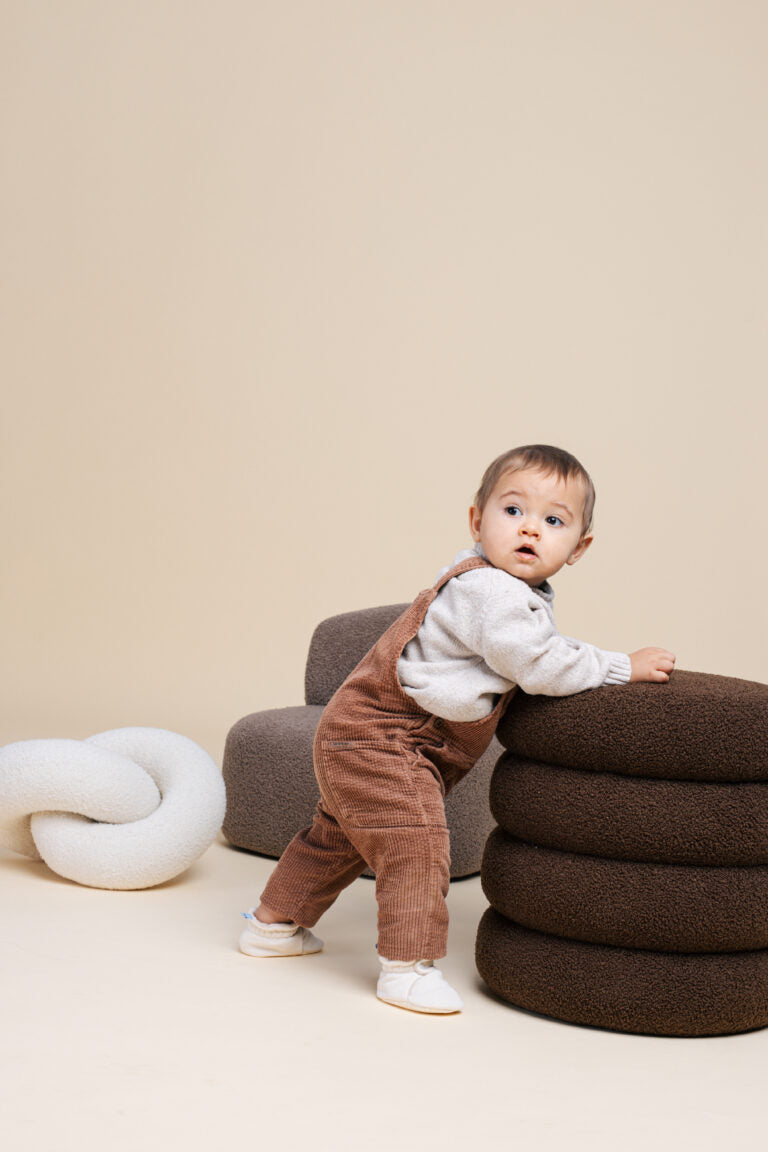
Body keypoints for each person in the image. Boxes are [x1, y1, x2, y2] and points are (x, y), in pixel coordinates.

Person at [238, 445, 675, 1014]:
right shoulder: (489, 590)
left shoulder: (502, 591)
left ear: (579, 548)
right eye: (513, 511)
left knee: (338, 836)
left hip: (365, 735)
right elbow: (539, 665)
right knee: (417, 842)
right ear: (477, 519)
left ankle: (273, 926)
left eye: (553, 520)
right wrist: (623, 666)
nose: (530, 530)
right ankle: (407, 966)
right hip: (385, 738)